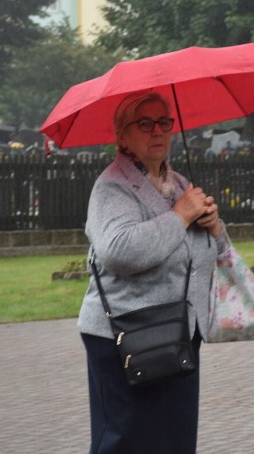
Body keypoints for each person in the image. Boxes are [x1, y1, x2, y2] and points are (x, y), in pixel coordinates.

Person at [77, 91, 230, 454]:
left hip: (176, 333)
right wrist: (180, 217)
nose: (157, 131)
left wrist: (213, 229)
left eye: (164, 122)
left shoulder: (179, 185)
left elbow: (208, 259)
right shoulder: (112, 186)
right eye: (144, 123)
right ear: (122, 135)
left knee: (173, 440)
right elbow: (119, 252)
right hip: (124, 335)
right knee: (126, 440)